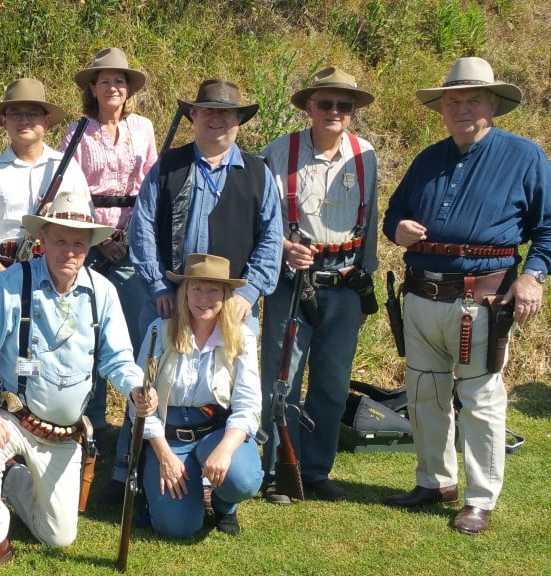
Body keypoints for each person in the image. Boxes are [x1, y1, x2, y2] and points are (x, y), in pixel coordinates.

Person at [382, 57, 550, 535]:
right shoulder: (428, 158)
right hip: (421, 296)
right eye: (453, 101)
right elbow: (394, 213)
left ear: (492, 104)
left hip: (483, 299)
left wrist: (533, 276)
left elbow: (548, 227)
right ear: (442, 108)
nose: (462, 109)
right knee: (424, 393)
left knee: (479, 397)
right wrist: (398, 229)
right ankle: (435, 482)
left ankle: (479, 498)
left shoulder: (525, 156)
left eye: (473, 100)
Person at [0, 190, 154, 576]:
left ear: (89, 246)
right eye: (60, 240)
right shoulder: (13, 283)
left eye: (78, 243)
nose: (69, 251)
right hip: (13, 419)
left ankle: (12, 480)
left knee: (58, 537)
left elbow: (117, 359)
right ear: (43, 238)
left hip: (64, 433)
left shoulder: (103, 292)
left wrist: (135, 388)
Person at [107, 78, 283, 502]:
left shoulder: (258, 172)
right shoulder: (167, 167)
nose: (216, 120)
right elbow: (142, 231)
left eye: (226, 113)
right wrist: (157, 286)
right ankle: (129, 473)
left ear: (238, 121)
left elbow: (271, 240)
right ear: (194, 117)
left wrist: (248, 294)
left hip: (233, 305)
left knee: (233, 392)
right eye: (208, 111)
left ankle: (225, 493)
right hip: (169, 300)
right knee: (148, 387)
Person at [258, 67, 379, 504]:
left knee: (332, 384)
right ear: (309, 107)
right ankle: (277, 471)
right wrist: (284, 250)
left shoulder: (365, 155)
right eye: (325, 103)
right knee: (282, 382)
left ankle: (316, 471)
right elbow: (262, 219)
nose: (334, 111)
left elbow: (371, 221)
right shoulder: (279, 152)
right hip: (292, 285)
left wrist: (366, 289)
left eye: (343, 105)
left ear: (352, 112)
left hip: (344, 286)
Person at [63, 47, 158, 431]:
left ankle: (138, 421)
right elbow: (71, 189)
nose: (113, 87)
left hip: (134, 243)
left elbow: (150, 185)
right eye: (105, 81)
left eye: (120, 80)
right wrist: (99, 239)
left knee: (134, 332)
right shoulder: (76, 132)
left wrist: (134, 236)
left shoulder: (144, 128)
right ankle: (91, 422)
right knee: (88, 332)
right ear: (92, 87)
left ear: (128, 88)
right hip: (89, 243)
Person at [140, 254, 263, 537]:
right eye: (196, 288)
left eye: (213, 290)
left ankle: (224, 503)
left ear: (226, 295)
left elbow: (248, 405)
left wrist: (225, 449)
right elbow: (139, 403)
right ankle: (181, 491)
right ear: (184, 292)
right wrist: (164, 455)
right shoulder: (159, 331)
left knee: (243, 480)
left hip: (216, 431)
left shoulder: (242, 337)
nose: (204, 298)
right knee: (178, 527)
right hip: (168, 437)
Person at [0, 77, 89, 300]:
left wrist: (60, 214)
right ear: (4, 121)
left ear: (46, 121)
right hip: (0, 269)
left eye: (33, 114)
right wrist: (3, 275)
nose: (24, 120)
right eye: (15, 114)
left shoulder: (68, 168)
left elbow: (87, 223)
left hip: (57, 267)